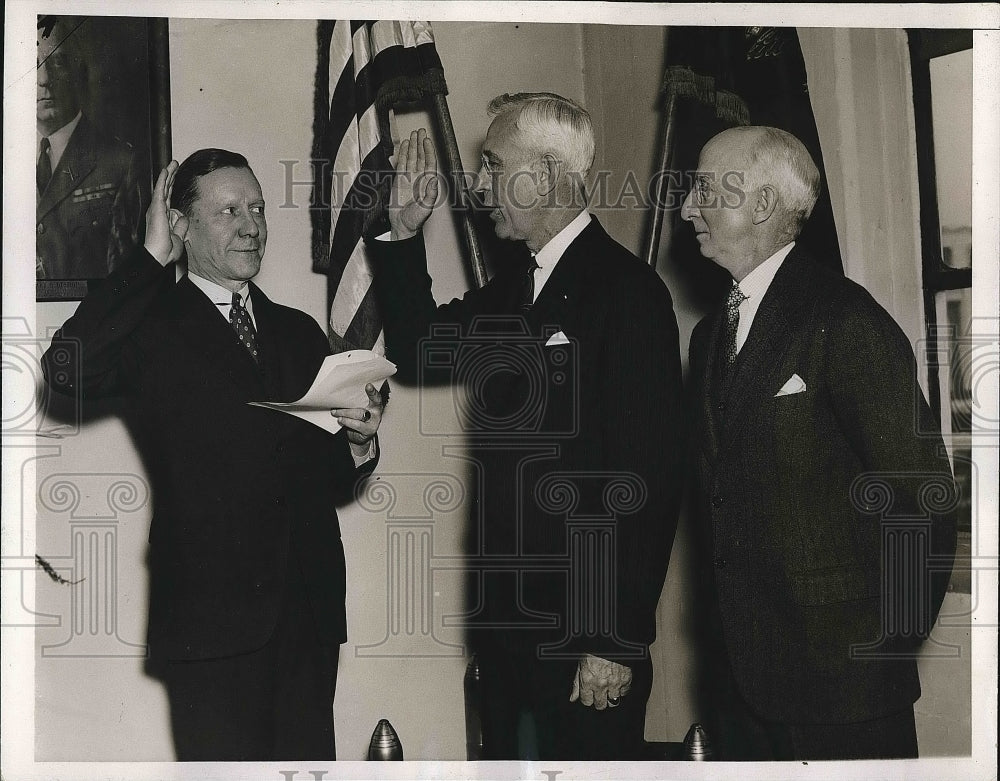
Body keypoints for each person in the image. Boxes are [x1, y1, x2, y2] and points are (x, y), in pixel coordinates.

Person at [368, 93, 684, 760]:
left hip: (583, 640)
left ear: (543, 175)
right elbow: (423, 347)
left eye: (492, 165)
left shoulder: (627, 294)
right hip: (508, 632)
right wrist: (402, 233)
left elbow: (644, 478)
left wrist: (615, 638)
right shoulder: (516, 287)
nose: (478, 185)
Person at [41, 150, 385, 761]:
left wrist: (360, 442)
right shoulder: (150, 329)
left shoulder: (300, 332)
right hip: (210, 623)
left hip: (306, 617)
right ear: (181, 226)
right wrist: (147, 259)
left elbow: (321, 474)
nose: (251, 225)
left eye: (256, 207)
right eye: (228, 211)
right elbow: (64, 370)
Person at [682, 125, 957, 760]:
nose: (687, 207)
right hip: (742, 689)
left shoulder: (844, 320)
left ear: (761, 205)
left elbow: (923, 501)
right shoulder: (708, 338)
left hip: (845, 697)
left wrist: (878, 653)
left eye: (703, 189)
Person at [36, 18, 143, 280]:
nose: (44, 78)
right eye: (32, 65)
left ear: (78, 72)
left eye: (57, 62)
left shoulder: (121, 163)